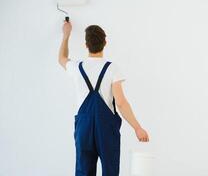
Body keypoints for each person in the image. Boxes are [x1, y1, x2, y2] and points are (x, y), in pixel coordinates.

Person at [58, 20, 149, 176]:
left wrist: (66, 35)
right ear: (105, 42)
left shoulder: (77, 67)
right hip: (106, 128)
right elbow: (120, 103)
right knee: (110, 171)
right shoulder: (112, 68)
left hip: (83, 128)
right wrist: (137, 128)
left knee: (83, 171)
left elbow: (62, 58)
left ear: (86, 45)